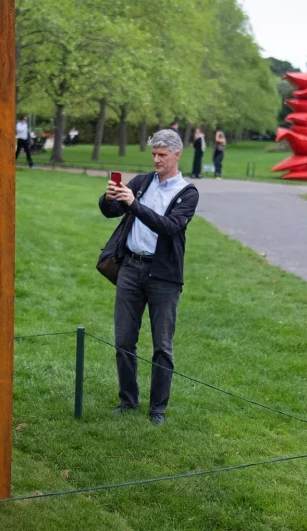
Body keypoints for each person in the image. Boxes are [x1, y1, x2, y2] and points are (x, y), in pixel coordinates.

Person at [98, 129, 200, 425]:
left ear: (177, 155)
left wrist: (134, 204)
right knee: (124, 340)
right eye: (154, 154)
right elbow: (112, 211)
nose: (156, 160)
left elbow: (168, 227)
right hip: (130, 268)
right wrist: (109, 198)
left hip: (164, 276)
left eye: (162, 155)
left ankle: (157, 409)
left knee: (162, 346)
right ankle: (128, 401)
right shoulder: (142, 182)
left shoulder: (187, 193)